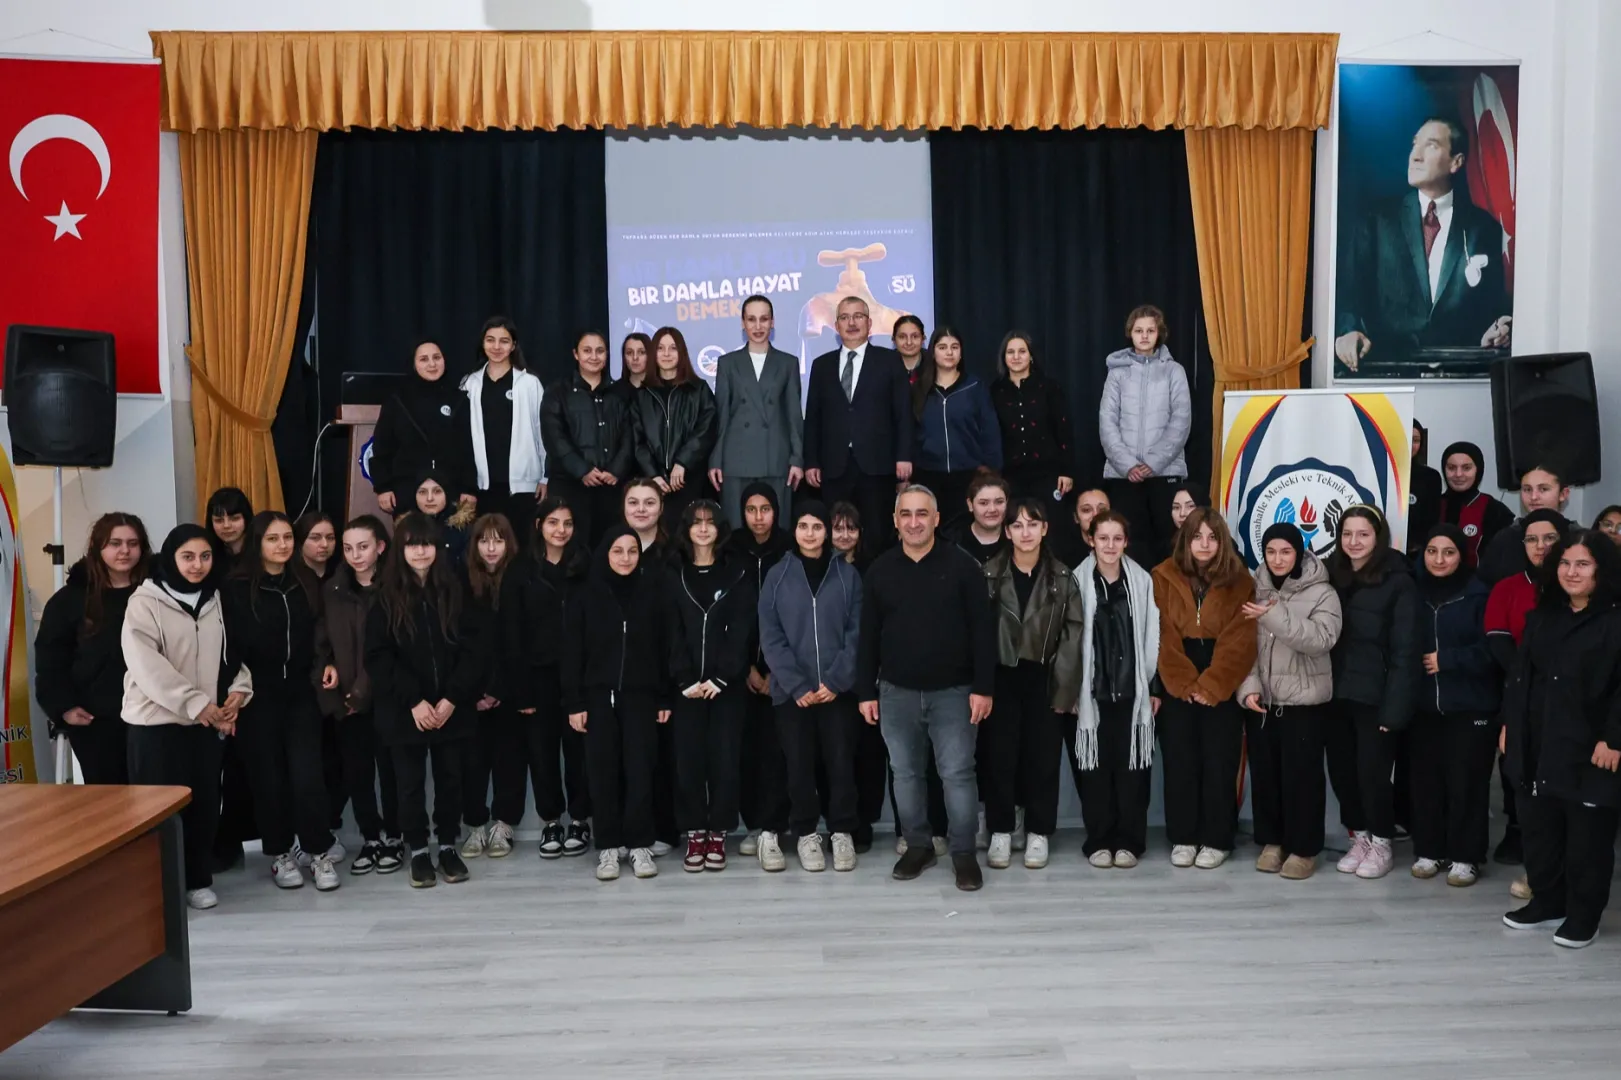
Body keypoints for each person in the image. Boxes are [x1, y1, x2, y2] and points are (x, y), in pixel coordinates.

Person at [859, 485, 997, 892]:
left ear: (936, 519)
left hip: (954, 693)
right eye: (906, 514)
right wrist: (865, 691)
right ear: (895, 520)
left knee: (957, 774)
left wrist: (984, 687)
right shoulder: (880, 570)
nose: (914, 522)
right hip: (895, 693)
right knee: (905, 774)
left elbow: (983, 633)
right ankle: (918, 846)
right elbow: (867, 638)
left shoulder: (963, 566)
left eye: (922, 514)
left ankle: (963, 853)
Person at [122, 524, 252, 910]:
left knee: (204, 805)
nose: (197, 565)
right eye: (188, 557)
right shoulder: (145, 601)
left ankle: (197, 879)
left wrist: (239, 689)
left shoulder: (217, 597)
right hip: (156, 725)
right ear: (170, 558)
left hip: (204, 724)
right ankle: (158, 889)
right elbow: (147, 666)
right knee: (159, 811)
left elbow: (232, 653)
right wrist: (196, 703)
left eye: (205, 556)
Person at [1500, 530, 1621, 948]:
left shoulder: (1614, 621)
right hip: (1537, 741)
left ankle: (1584, 917)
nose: (1572, 572)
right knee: (1540, 830)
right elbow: (1520, 678)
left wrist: (1615, 738)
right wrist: (1509, 724)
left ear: (1602, 570)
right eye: (1565, 563)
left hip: (1592, 749)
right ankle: (1548, 902)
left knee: (1587, 841)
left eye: (1583, 564)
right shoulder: (1543, 615)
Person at [1335, 117, 1512, 375]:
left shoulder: (1483, 228)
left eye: (1431, 145)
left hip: (1460, 376)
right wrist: (1348, 332)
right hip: (1389, 373)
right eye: (1414, 145)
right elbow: (1350, 295)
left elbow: (1491, 307)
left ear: (1456, 162)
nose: (1415, 156)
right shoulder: (1377, 221)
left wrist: (1496, 331)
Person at [365, 512, 483, 889]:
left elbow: (473, 650)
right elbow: (378, 657)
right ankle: (418, 850)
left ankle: (447, 846)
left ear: (438, 548)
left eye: (427, 544)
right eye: (413, 544)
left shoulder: (456, 590)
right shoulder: (384, 596)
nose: (420, 551)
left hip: (452, 707)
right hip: (405, 711)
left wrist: (451, 698)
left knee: (451, 781)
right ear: (400, 550)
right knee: (409, 785)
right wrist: (414, 701)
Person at [225, 511, 340, 891]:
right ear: (258, 542)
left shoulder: (303, 581)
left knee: (308, 777)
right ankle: (280, 853)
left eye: (288, 537)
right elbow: (229, 647)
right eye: (272, 538)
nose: (282, 545)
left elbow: (322, 634)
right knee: (268, 780)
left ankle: (318, 851)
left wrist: (328, 664)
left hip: (301, 694)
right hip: (257, 698)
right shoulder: (237, 587)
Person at [562, 525, 673, 882]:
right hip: (597, 698)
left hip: (642, 696)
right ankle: (608, 845)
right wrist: (575, 702)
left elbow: (664, 647)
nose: (625, 558)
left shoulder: (653, 591)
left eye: (632, 551)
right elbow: (572, 652)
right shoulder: (585, 594)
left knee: (641, 771)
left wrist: (663, 695)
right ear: (605, 554)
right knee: (602, 772)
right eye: (617, 551)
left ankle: (639, 844)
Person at [759, 502, 864, 872]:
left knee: (840, 762)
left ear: (827, 532)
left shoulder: (847, 575)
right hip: (793, 694)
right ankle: (805, 833)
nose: (809, 533)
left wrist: (835, 680)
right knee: (799, 764)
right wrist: (796, 684)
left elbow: (857, 632)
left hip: (836, 691)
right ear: (795, 530)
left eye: (817, 526)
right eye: (803, 525)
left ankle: (842, 831)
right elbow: (770, 635)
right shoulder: (778, 575)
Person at [981, 499, 1084, 870]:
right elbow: (977, 634)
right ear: (1007, 531)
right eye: (1018, 525)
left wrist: (1065, 690)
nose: (1025, 532)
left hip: (1044, 677)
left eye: (1032, 524)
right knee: (999, 757)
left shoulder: (1063, 578)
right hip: (1000, 677)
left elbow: (1073, 636)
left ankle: (1039, 831)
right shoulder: (989, 575)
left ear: (1045, 529)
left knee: (1043, 758)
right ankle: (1001, 829)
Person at [1238, 522, 1342, 881]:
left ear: (1299, 553)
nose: (1278, 559)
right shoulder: (1254, 589)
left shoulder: (1323, 592)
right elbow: (1244, 645)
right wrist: (1249, 686)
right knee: (1266, 777)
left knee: (1302, 781)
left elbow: (1320, 639)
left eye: (1286, 551)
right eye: (1270, 551)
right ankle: (1272, 842)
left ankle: (1303, 849)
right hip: (1264, 703)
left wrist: (1272, 614)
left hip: (1304, 704)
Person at [1152, 508, 1256, 868]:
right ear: (1186, 539)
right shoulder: (1162, 575)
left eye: (1212, 537)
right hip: (1176, 677)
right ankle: (1184, 836)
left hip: (1221, 678)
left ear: (1222, 541)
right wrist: (1183, 682)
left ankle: (1217, 838)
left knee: (1219, 760)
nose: (1205, 544)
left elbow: (1241, 638)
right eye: (1197, 536)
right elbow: (1161, 633)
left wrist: (1212, 684)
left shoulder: (1241, 580)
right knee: (1179, 759)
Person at [1324, 506, 1419, 880]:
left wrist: (1395, 709)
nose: (1354, 542)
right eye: (1347, 534)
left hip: (1375, 698)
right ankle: (1359, 838)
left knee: (1372, 775)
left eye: (1363, 534)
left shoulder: (1399, 581)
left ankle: (1381, 841)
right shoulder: (1332, 575)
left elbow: (1406, 651)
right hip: (1335, 695)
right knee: (1343, 773)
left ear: (1378, 537)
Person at [665, 500, 755, 872]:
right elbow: (669, 630)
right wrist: (685, 678)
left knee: (724, 761)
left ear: (720, 528)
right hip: (686, 689)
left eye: (710, 522)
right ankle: (695, 831)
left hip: (726, 687)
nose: (703, 529)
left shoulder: (736, 572)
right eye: (696, 522)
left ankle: (718, 831)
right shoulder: (673, 572)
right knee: (688, 763)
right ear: (686, 528)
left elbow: (743, 628)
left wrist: (722, 676)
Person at [1409, 524, 1500, 887]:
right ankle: (1429, 850)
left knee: (1468, 784)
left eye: (1448, 552)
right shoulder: (1413, 592)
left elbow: (1494, 650)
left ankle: (1466, 857)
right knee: (1426, 783)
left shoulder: (1480, 594)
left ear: (1462, 555)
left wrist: (1448, 660)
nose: (1439, 559)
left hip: (1471, 706)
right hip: (1423, 707)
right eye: (1432, 551)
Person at [1485, 508, 1569, 892]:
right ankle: (1538, 869)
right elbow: (1501, 644)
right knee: (1525, 784)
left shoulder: (1576, 588)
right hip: (1521, 696)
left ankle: (1560, 873)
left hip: (1571, 703)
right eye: (1532, 539)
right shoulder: (1508, 587)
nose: (1540, 547)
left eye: (1549, 538)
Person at [504, 496, 592, 858]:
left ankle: (581, 820)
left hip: (580, 677)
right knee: (541, 753)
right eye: (553, 522)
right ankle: (551, 821)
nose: (561, 530)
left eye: (567, 523)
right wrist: (521, 690)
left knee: (579, 752)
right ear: (539, 525)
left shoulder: (586, 564)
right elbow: (511, 632)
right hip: (536, 677)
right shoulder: (520, 569)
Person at [35, 512, 151, 785]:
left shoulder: (156, 592)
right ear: (98, 548)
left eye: (133, 543)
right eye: (115, 543)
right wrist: (63, 706)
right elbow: (51, 660)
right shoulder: (70, 600)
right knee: (109, 801)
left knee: (157, 799)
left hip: (153, 717)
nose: (125, 551)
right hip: (97, 720)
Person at [314, 515, 400, 875]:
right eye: (348, 548)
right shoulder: (333, 589)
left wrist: (363, 690)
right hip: (348, 700)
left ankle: (395, 836)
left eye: (363, 547)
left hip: (387, 696)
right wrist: (329, 667)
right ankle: (371, 837)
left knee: (392, 772)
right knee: (357, 773)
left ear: (380, 547)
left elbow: (390, 647)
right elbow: (322, 642)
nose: (355, 555)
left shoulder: (396, 587)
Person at [803, 295, 913, 549]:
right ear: (836, 326)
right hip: (834, 467)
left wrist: (904, 456)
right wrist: (811, 461)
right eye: (844, 317)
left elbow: (903, 413)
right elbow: (813, 418)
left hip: (877, 465)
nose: (851, 323)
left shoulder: (889, 361)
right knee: (836, 535)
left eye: (858, 316)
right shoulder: (821, 365)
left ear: (869, 323)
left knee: (876, 535)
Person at [726, 481, 794, 864]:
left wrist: (774, 671)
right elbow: (728, 617)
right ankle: (754, 825)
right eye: (751, 510)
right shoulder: (731, 549)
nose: (758, 518)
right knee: (746, 750)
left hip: (782, 672)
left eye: (765, 509)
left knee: (779, 750)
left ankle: (776, 824)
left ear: (775, 511)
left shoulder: (789, 549)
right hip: (742, 672)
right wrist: (747, 668)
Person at [1100, 305, 1191, 561]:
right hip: (1124, 475)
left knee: (1169, 545)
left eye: (1150, 330)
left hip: (1165, 472)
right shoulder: (1117, 373)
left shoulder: (1174, 371)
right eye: (1138, 330)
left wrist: (1152, 463)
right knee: (1129, 546)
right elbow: (1107, 421)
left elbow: (1181, 421)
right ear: (1130, 333)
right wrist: (1128, 465)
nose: (1144, 336)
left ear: (1159, 333)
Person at [708, 295, 804, 528]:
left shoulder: (788, 363)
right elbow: (722, 416)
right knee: (736, 529)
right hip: (736, 459)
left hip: (776, 458)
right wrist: (715, 460)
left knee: (776, 529)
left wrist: (797, 459)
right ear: (743, 323)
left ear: (773, 322)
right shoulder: (727, 363)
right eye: (751, 319)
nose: (758, 326)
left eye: (764, 319)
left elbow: (794, 416)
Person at [458, 513, 521, 861]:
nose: (491, 548)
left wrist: (498, 688)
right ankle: (475, 825)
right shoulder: (461, 583)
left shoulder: (520, 578)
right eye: (484, 540)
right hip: (470, 692)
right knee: (472, 762)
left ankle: (503, 824)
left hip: (509, 690)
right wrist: (475, 691)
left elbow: (517, 643)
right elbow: (460, 643)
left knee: (508, 758)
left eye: (498, 540)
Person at [541, 330, 636, 547]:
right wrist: (581, 469)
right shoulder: (557, 392)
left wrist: (616, 470)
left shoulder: (621, 392)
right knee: (571, 549)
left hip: (611, 487)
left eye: (600, 351)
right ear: (576, 354)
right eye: (587, 351)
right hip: (569, 485)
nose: (594, 356)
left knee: (609, 548)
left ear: (607, 355)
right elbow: (554, 436)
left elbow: (630, 435)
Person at [203, 484, 256, 872]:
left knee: (244, 766)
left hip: (258, 672)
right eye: (218, 518)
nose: (226, 525)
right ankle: (216, 840)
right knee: (215, 767)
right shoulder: (207, 559)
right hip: (216, 671)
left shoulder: (261, 554)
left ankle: (236, 837)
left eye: (234, 517)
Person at [460, 316, 547, 542]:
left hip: (523, 487)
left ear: (514, 345)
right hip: (483, 486)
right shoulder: (469, 384)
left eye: (504, 341)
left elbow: (543, 433)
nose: (497, 347)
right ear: (482, 343)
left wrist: (544, 478)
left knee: (521, 547)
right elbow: (460, 438)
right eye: (490, 340)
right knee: (486, 548)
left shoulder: (530, 384)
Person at [369, 338, 474, 515]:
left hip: (452, 492)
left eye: (437, 357)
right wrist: (383, 487)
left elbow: (469, 448)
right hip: (406, 492)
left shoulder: (460, 400)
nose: (432, 364)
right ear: (413, 364)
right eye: (424, 359)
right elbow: (382, 447)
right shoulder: (397, 400)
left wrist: (469, 489)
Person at [911, 326, 1002, 528]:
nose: (949, 352)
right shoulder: (919, 389)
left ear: (961, 352)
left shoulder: (975, 387)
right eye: (942, 347)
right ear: (932, 352)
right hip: (928, 474)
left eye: (954, 347)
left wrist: (991, 469)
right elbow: (910, 432)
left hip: (968, 475)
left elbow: (990, 431)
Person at [633, 326, 718, 531]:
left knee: (689, 535)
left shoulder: (698, 389)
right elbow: (637, 440)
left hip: (691, 479)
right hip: (655, 483)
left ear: (682, 353)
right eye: (660, 348)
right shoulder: (642, 394)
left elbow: (706, 431)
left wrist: (682, 463)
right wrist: (653, 475)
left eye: (673, 348)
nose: (666, 354)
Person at [989, 331, 1075, 520]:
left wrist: (1066, 471)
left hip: (1047, 473)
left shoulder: (1049, 387)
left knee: (1050, 524)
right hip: (1009, 476)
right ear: (1003, 357)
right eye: (1010, 352)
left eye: (1022, 351)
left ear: (1031, 356)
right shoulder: (995, 391)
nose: (1016, 357)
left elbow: (1063, 429)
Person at [1478, 465, 1571, 585]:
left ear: (1563, 494)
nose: (1534, 497)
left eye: (1543, 489)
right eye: (1527, 490)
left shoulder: (1577, 537)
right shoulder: (1505, 538)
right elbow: (1484, 584)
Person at [1436, 441, 1513, 568]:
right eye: (1451, 468)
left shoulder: (1496, 511)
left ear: (1478, 470)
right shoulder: (1433, 504)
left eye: (1466, 468)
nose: (1458, 474)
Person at [410, 468, 476, 565]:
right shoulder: (406, 528)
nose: (429, 498)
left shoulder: (463, 527)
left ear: (447, 494)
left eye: (437, 491)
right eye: (422, 492)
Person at [951, 470, 1010, 565]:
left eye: (999, 502)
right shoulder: (952, 543)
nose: (992, 509)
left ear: (1007, 502)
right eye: (983, 503)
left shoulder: (1019, 539)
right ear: (970, 505)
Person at [1407, 420, 1443, 557]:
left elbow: (1432, 522)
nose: (1410, 444)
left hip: (1417, 555)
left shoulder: (1430, 477)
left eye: (1415, 440)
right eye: (1404, 437)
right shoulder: (1376, 473)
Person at [205, 486, 252, 572]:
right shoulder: (207, 556)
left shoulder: (262, 553)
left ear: (246, 518)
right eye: (219, 520)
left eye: (234, 519)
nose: (226, 525)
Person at [294, 511, 338, 582]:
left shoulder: (342, 573)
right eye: (315, 538)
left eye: (330, 538)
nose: (325, 544)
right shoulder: (291, 576)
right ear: (301, 540)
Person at [830, 501, 869, 572]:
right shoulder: (822, 566)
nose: (845, 536)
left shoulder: (869, 567)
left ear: (860, 531)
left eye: (851, 529)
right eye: (838, 529)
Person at [894, 314, 926, 381]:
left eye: (915, 336)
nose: (909, 342)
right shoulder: (883, 366)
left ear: (923, 339)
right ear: (894, 340)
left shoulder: (935, 364)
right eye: (902, 337)